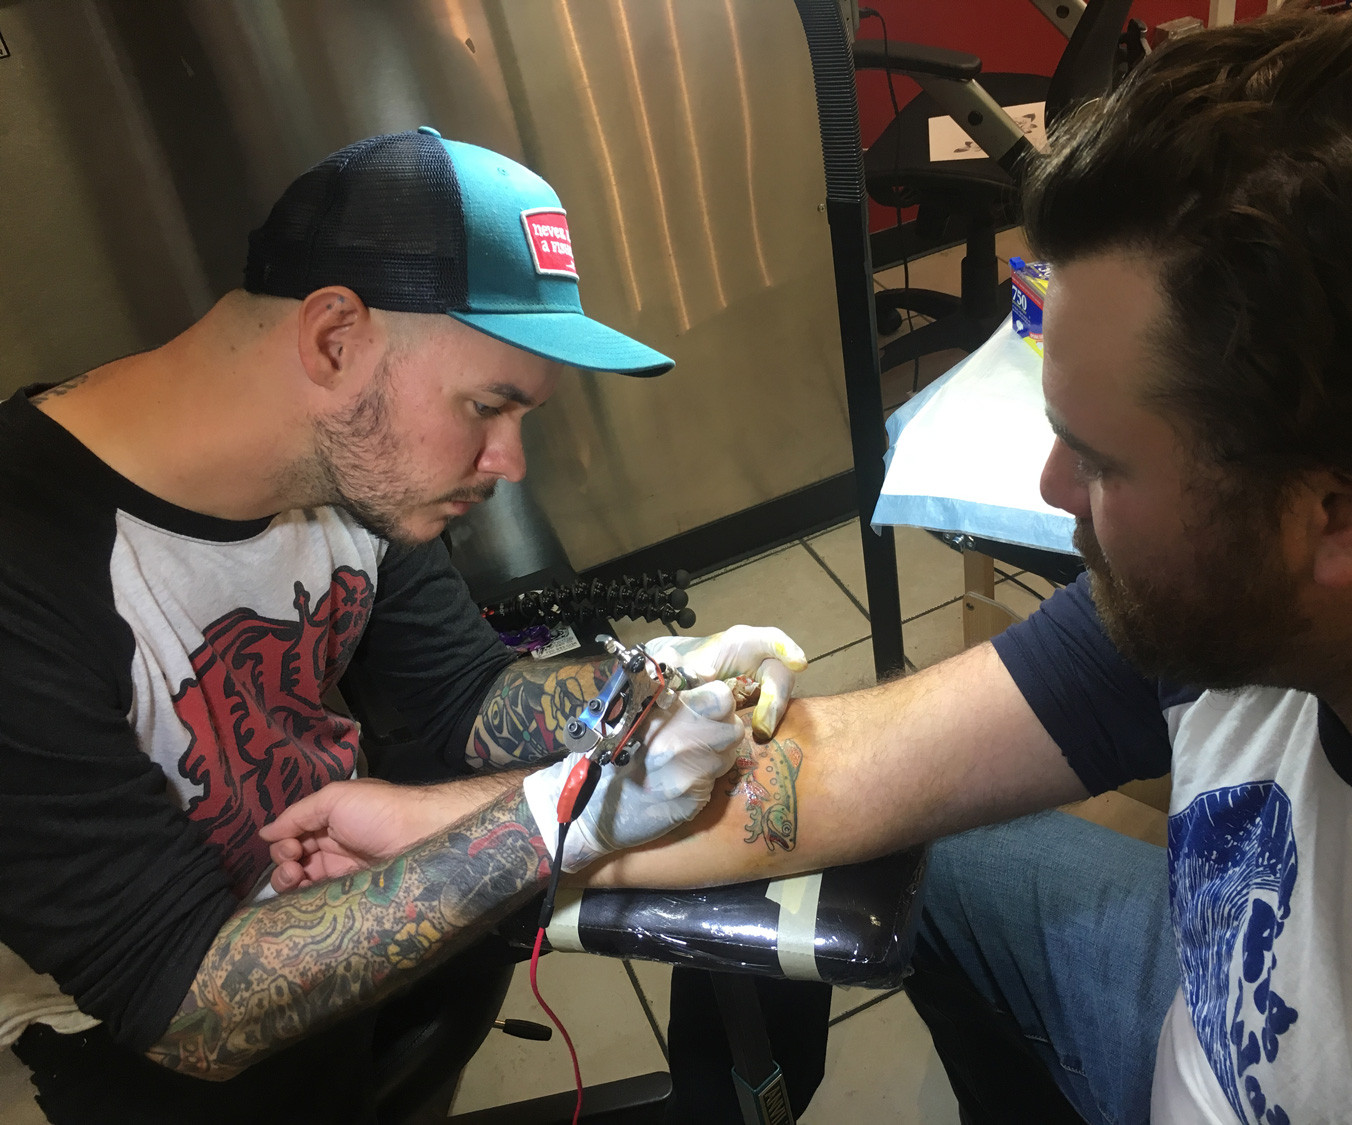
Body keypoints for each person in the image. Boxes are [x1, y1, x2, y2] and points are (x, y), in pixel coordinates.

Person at [266, 5, 1352, 1122]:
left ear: (1348, 514)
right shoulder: (1223, 605)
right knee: (909, 836)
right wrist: (436, 822)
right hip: (1198, 1007)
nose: (1050, 495)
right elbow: (847, 773)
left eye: (1105, 464)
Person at [0, 127, 809, 1124]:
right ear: (336, 339)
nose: (510, 460)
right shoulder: (29, 571)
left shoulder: (348, 467)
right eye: (488, 405)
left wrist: (652, 682)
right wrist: (561, 816)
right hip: (174, 1040)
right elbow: (184, 1003)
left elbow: (459, 696)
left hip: (369, 878)